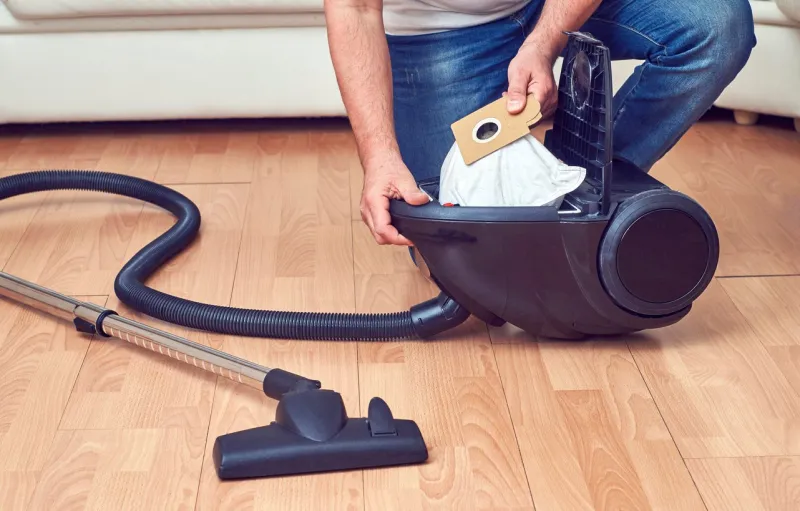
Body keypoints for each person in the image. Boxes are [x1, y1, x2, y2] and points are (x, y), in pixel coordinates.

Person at [323, 0, 756, 246]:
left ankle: (579, 198)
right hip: (441, 28)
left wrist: (543, 46)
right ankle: (551, 207)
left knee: (714, 26)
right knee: (455, 248)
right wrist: (380, 155)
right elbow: (353, 6)